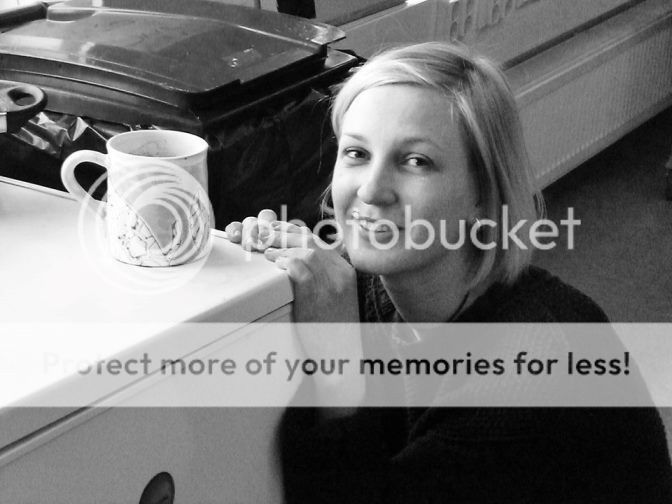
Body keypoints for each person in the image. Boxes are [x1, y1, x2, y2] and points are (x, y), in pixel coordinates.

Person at [225, 42, 672, 503]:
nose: (372, 191)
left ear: (483, 194)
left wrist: (338, 367)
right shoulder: (378, 280)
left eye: (416, 161)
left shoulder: (530, 374)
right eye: (356, 153)